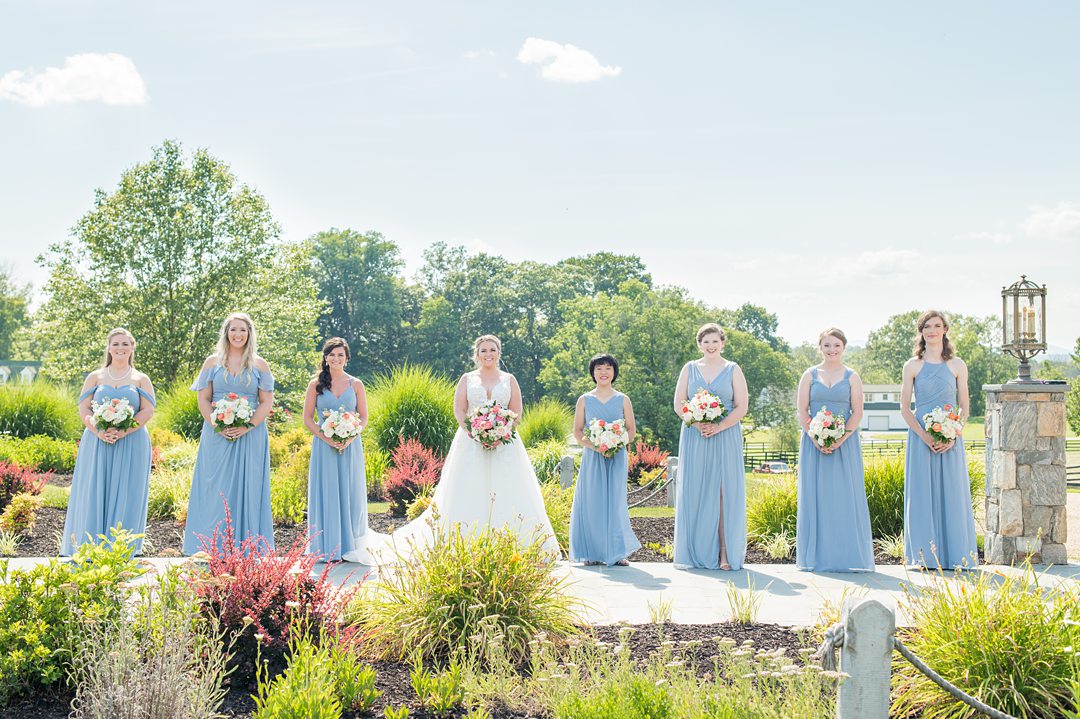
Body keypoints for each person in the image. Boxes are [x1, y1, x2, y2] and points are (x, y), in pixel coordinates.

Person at [344, 334, 558, 563]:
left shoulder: (509, 379)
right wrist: (475, 432)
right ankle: (465, 544)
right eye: (483, 350)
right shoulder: (467, 379)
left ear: (499, 353)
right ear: (476, 354)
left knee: (509, 489)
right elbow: (460, 410)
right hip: (470, 442)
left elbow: (516, 412)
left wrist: (501, 432)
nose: (488, 354)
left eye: (492, 350)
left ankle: (514, 544)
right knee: (469, 489)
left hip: (505, 445)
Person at [182, 312, 275, 554]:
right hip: (217, 434)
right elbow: (204, 398)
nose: (238, 334)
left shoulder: (260, 365)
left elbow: (266, 402)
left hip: (251, 435)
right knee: (214, 487)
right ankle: (211, 546)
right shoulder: (212, 363)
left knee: (249, 486)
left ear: (250, 334)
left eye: (243, 330)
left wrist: (247, 426)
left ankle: (247, 547)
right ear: (226, 333)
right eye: (233, 329)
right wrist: (216, 425)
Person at [62, 328, 155, 555]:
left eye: (125, 344)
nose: (120, 348)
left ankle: (121, 548)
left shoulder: (141, 379)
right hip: (97, 441)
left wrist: (123, 431)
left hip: (132, 442)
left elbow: (148, 410)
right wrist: (99, 431)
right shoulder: (96, 376)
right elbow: (84, 408)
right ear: (109, 347)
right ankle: (88, 545)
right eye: (116, 344)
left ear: (132, 347)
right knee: (94, 487)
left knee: (127, 490)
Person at [901, 310, 978, 569]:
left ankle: (957, 556)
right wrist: (924, 436)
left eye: (937, 325)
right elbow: (904, 409)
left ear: (945, 329)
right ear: (921, 331)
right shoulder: (912, 366)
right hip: (921, 441)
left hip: (950, 442)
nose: (932, 330)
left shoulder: (957, 365)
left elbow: (965, 408)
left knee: (952, 495)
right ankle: (923, 557)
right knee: (922, 495)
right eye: (927, 326)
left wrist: (953, 435)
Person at [794, 328, 874, 572]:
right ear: (820, 347)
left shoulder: (852, 376)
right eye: (827, 345)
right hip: (813, 445)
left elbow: (857, 412)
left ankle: (847, 556)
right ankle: (815, 558)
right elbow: (802, 411)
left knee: (844, 497)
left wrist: (839, 440)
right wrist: (815, 437)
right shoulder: (809, 375)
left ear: (844, 347)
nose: (832, 350)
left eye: (836, 345)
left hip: (845, 446)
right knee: (815, 497)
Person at [672, 323, 748, 570]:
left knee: (724, 493)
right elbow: (679, 404)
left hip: (725, 436)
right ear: (699, 344)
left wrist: (719, 426)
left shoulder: (733, 369)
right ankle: (697, 550)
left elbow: (742, 407)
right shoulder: (689, 368)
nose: (711, 346)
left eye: (715, 341)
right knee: (696, 491)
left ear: (722, 343)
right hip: (696, 436)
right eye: (706, 342)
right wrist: (697, 424)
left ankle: (724, 554)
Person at [568, 353, 641, 566]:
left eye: (608, 368)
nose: (603, 372)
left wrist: (614, 444)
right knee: (591, 502)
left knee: (616, 502)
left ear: (614, 372)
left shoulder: (623, 399)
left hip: (617, 456)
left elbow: (631, 430)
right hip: (593, 457)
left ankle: (617, 553)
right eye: (599, 368)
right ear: (593, 372)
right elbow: (578, 431)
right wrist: (597, 446)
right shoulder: (585, 399)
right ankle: (590, 553)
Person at [303, 338, 369, 561]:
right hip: (324, 447)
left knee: (350, 491)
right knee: (327, 491)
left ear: (347, 358)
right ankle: (326, 546)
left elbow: (364, 417)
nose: (336, 358)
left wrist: (351, 436)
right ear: (325, 357)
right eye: (332, 354)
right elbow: (307, 418)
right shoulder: (315, 385)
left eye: (340, 355)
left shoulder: (356, 384)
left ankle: (350, 545)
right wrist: (326, 438)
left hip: (350, 446)